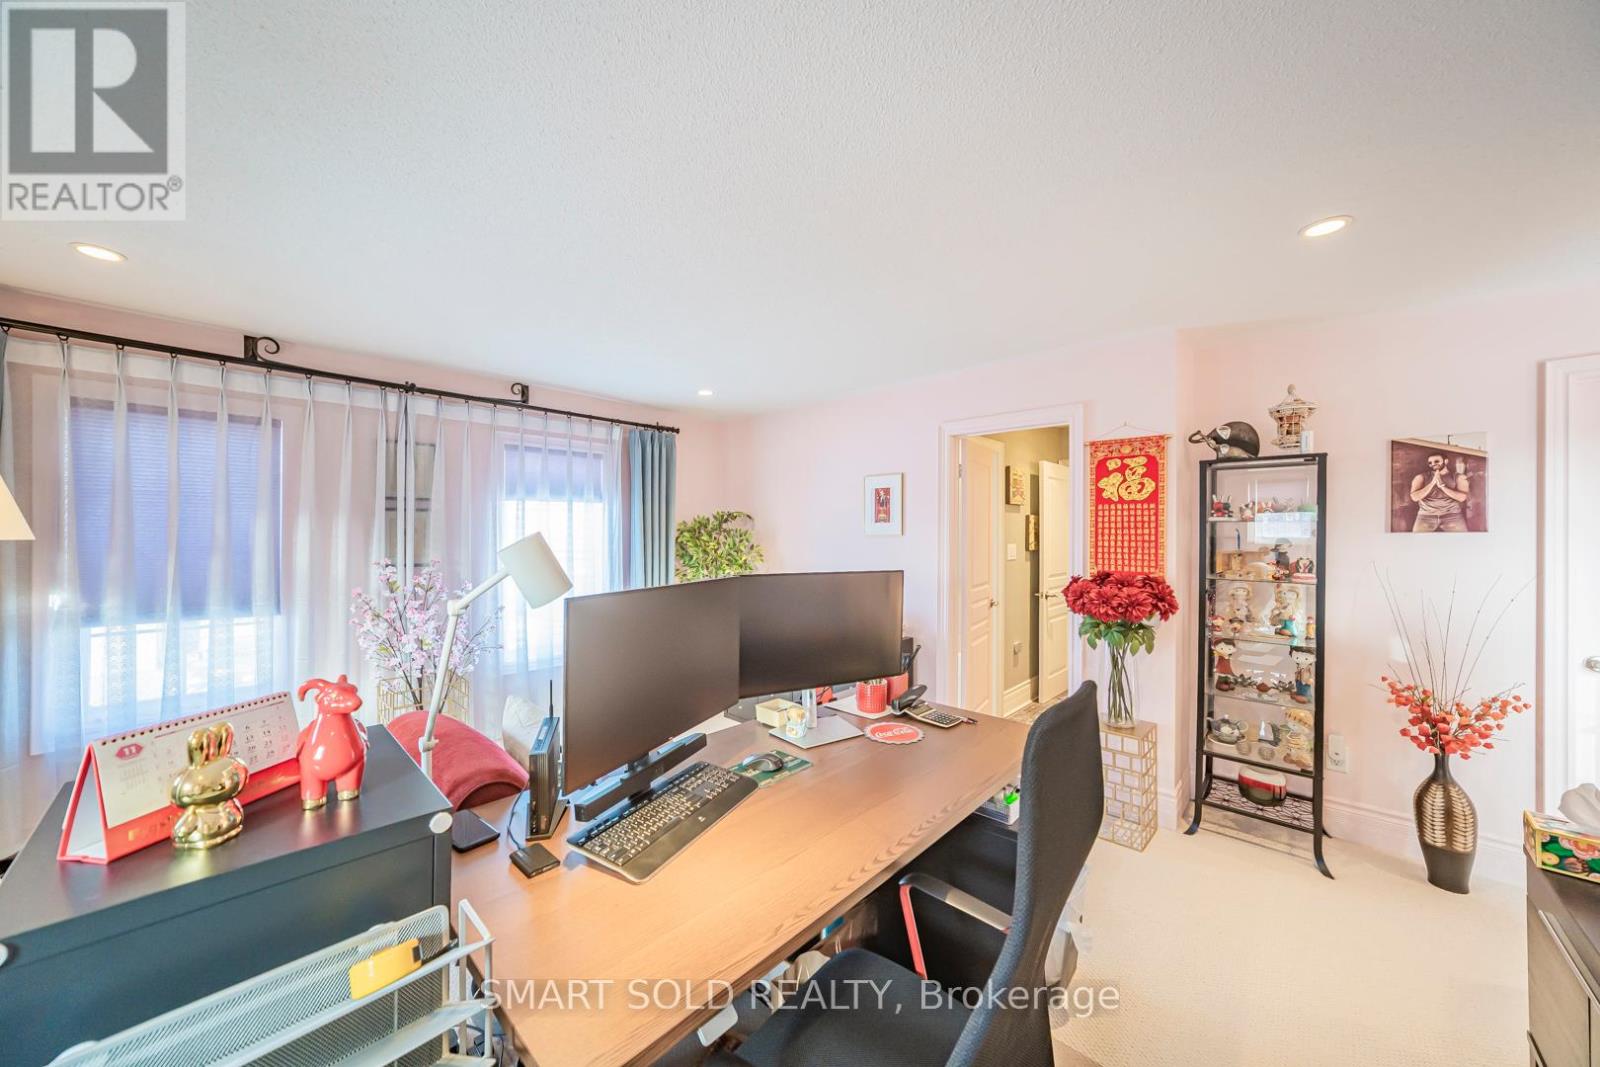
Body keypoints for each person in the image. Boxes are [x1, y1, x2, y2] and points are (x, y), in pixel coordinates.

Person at [1408, 453, 1470, 532]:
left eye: (1436, 461)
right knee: (1417, 539)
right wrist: (1432, 483)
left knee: (1462, 539)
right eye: (1430, 463)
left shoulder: (1459, 477)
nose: (1433, 464)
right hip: (1425, 516)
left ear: (1445, 461)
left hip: (1452, 515)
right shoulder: (1420, 477)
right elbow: (1414, 497)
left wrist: (1442, 486)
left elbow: (1462, 498)